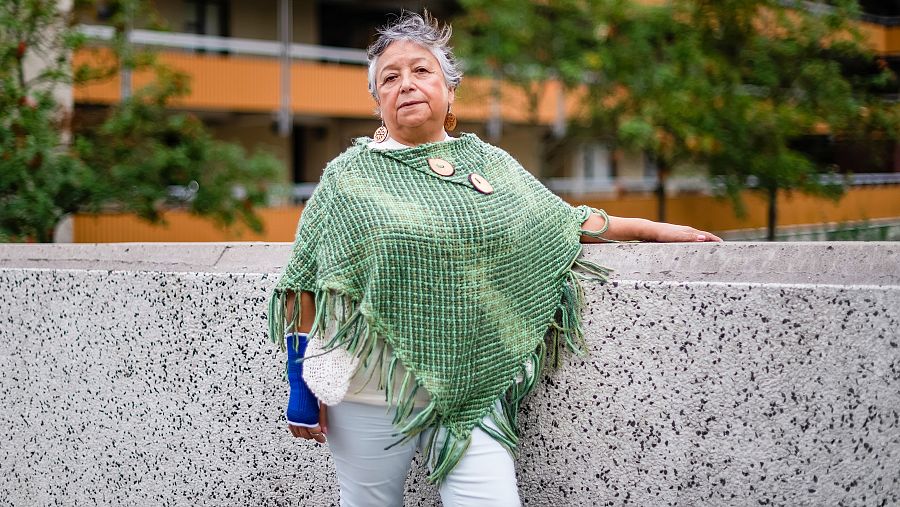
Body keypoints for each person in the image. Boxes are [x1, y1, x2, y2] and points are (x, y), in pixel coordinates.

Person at [268, 11, 722, 507]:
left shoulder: (491, 164)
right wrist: (299, 385)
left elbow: (559, 222)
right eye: (390, 78)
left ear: (449, 91)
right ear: (378, 103)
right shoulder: (346, 177)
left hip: (471, 383)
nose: (407, 85)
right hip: (368, 397)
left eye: (422, 71)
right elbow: (301, 281)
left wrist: (655, 230)